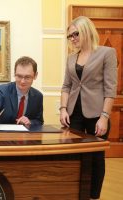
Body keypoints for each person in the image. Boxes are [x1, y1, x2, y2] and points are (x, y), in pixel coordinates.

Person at [60, 16, 117, 200]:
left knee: (95, 156)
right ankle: (75, 193)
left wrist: (105, 116)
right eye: (70, 36)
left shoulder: (106, 53)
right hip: (72, 113)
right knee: (73, 154)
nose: (73, 38)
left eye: (76, 33)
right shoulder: (70, 58)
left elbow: (110, 88)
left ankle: (93, 196)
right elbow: (66, 86)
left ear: (86, 30)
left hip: (96, 113)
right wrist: (62, 109)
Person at [0, 56, 44, 134]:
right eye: (19, 76)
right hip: (1, 137)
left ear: (35, 75)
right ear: (14, 74)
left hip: (25, 139)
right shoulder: (3, 90)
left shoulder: (38, 96)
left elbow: (39, 121)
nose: (22, 81)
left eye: (27, 77)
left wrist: (30, 121)